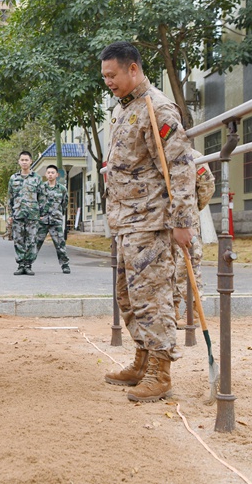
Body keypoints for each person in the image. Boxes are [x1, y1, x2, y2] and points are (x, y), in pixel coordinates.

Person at [99, 41, 196, 403]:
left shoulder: (158, 109)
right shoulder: (127, 109)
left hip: (152, 223)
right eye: (105, 76)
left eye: (113, 75)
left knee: (153, 298)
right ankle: (142, 358)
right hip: (127, 222)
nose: (108, 82)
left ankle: (160, 370)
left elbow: (181, 168)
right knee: (129, 296)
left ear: (133, 69)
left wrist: (183, 220)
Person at [173, 149, 215, 322]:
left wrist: (194, 208)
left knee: (186, 264)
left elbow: (207, 185)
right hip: (161, 220)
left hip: (186, 220)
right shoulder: (155, 152)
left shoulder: (193, 156)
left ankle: (193, 312)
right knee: (165, 267)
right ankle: (172, 310)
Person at [7, 150, 44, 275]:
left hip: (33, 215)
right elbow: (10, 198)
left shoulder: (37, 178)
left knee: (31, 240)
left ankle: (28, 265)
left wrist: (41, 213)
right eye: (22, 160)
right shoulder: (13, 178)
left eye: (26, 160)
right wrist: (10, 215)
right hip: (18, 214)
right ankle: (20, 265)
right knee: (18, 240)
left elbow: (41, 197)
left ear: (31, 161)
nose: (24, 162)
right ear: (19, 162)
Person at [36, 165, 71, 274]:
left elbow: (64, 203)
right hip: (42, 221)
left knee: (60, 244)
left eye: (52, 172)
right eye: (48, 172)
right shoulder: (40, 188)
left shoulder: (62, 189)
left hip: (55, 221)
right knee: (35, 243)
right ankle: (26, 265)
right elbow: (35, 203)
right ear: (46, 174)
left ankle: (65, 265)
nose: (50, 174)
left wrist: (57, 213)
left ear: (57, 174)